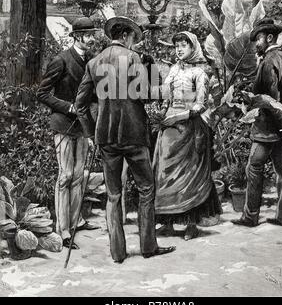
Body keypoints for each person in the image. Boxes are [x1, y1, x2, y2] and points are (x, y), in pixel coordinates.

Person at [75, 16, 176, 264]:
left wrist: (90, 134)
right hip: (134, 136)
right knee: (146, 190)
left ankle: (117, 253)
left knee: (112, 195)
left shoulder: (93, 63)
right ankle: (148, 247)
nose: (133, 43)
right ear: (126, 37)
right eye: (133, 38)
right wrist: (160, 83)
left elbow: (79, 106)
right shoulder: (133, 59)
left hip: (106, 138)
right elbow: (145, 95)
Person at [37, 17, 100, 250]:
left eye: (93, 34)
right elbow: (42, 93)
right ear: (76, 37)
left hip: (83, 127)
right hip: (63, 125)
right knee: (64, 177)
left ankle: (76, 222)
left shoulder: (92, 62)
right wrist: (68, 107)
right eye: (88, 35)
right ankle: (62, 230)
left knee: (79, 175)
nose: (92, 39)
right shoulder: (60, 60)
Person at [154, 32, 222, 241]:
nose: (180, 49)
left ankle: (191, 224)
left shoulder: (199, 73)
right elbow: (166, 97)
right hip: (169, 129)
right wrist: (161, 110)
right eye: (177, 46)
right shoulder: (173, 70)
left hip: (190, 128)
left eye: (184, 45)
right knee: (164, 173)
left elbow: (200, 104)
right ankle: (168, 223)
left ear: (193, 48)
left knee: (190, 175)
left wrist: (181, 116)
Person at [232, 17, 282, 228]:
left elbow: (271, 101)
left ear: (269, 37)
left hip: (268, 129)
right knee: (281, 170)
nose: (256, 44)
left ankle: (250, 216)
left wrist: (281, 124)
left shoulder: (269, 62)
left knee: (253, 167)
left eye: (258, 39)